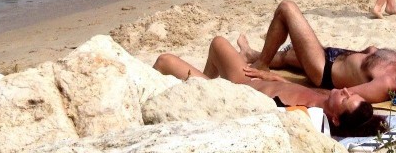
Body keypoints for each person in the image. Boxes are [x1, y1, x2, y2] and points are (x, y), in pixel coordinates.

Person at [153, 37, 382, 137]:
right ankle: (203, 84)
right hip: (252, 81)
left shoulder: (307, 117)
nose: (344, 91)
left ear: (335, 119)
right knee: (218, 44)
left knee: (166, 60)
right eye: (348, 93)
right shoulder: (323, 100)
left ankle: (203, 87)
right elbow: (292, 91)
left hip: (238, 90)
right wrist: (272, 77)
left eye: (344, 99)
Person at [241, 0, 396, 105]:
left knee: (286, 9)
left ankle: (261, 65)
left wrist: (281, 81)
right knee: (288, 56)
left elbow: (338, 95)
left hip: (323, 70)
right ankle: (251, 55)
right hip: (334, 55)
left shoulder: (386, 85)